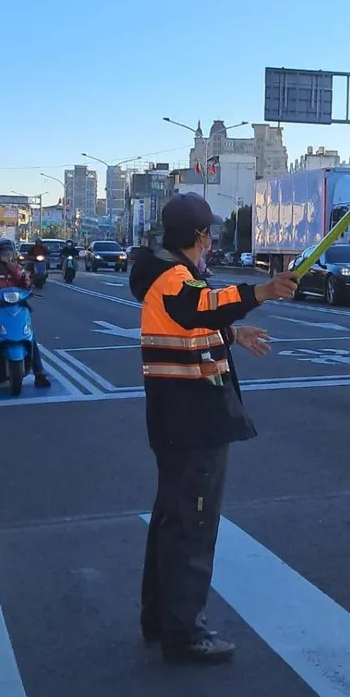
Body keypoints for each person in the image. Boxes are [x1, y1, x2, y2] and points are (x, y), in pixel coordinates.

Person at [130, 192, 298, 665]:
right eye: (210, 233)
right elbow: (198, 305)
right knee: (191, 525)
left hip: (179, 417)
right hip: (191, 418)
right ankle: (184, 633)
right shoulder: (173, 276)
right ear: (198, 236)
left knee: (173, 519)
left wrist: (231, 334)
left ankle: (160, 619)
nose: (213, 241)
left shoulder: (166, 274)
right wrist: (260, 292)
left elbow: (191, 322)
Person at [0, 238, 51, 393]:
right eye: (4, 253)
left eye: (10, 253)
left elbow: (26, 284)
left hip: (17, 309)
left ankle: (39, 374)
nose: (8, 256)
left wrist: (14, 271)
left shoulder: (16, 268)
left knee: (31, 338)